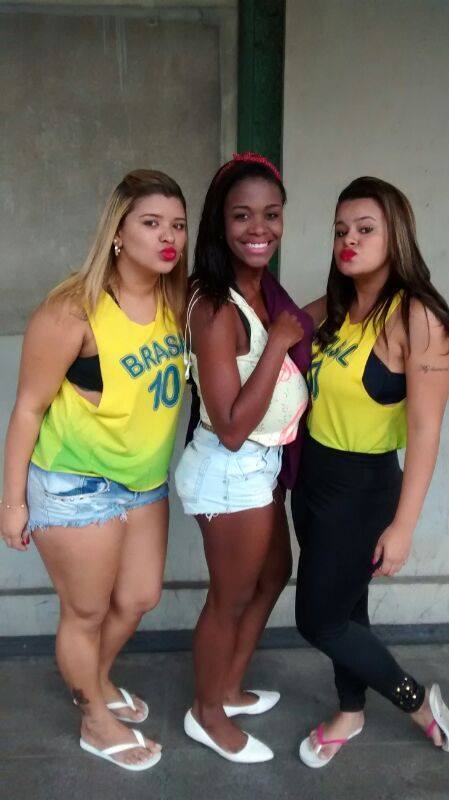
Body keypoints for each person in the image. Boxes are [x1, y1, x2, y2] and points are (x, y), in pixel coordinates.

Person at [0, 169, 188, 771]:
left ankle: (96, 681)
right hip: (76, 483)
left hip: (144, 480)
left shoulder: (175, 300)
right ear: (118, 233)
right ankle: (95, 721)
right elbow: (28, 408)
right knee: (84, 613)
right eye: (151, 223)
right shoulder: (72, 309)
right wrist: (12, 503)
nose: (168, 237)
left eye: (178, 225)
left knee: (138, 597)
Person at [292, 176, 449, 768]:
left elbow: (426, 430)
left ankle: (417, 702)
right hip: (312, 478)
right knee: (346, 609)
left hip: (362, 489)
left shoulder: (417, 317)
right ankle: (350, 711)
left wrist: (403, 527)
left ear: (396, 236)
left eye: (364, 229)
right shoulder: (337, 308)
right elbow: (283, 327)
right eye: (340, 231)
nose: (348, 241)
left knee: (319, 620)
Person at [175, 152, 310, 763]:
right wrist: (279, 342)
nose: (260, 228)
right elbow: (231, 427)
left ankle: (228, 688)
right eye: (242, 216)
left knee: (273, 573)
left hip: (259, 467)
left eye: (271, 214)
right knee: (227, 599)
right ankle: (206, 714)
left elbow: (297, 322)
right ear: (219, 222)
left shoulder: (260, 289)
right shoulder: (213, 305)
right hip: (231, 468)